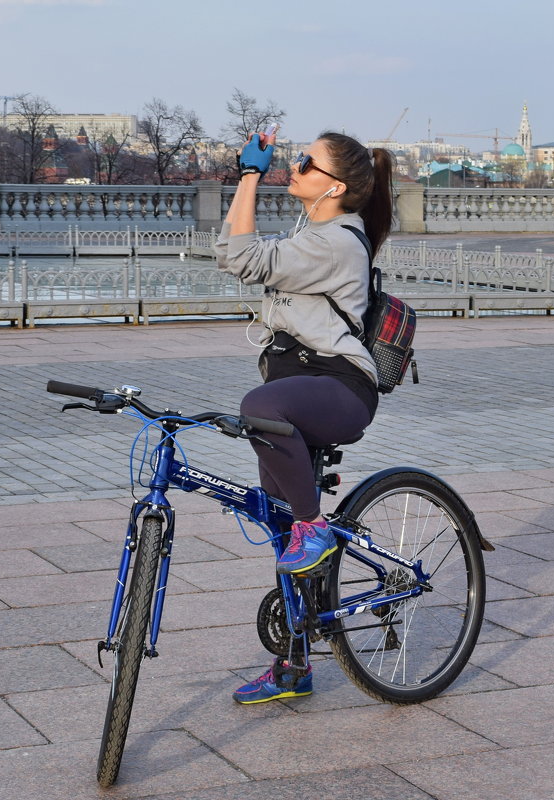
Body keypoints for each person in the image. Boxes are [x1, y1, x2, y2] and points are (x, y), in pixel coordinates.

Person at [214, 129, 396, 703]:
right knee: (279, 523)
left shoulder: (338, 241)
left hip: (340, 387)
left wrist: (248, 174)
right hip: (303, 387)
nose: (292, 167)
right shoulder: (314, 232)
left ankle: (317, 529)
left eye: (304, 162)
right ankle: (294, 665)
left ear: (335, 185)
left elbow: (239, 256)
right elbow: (238, 255)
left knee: (258, 408)